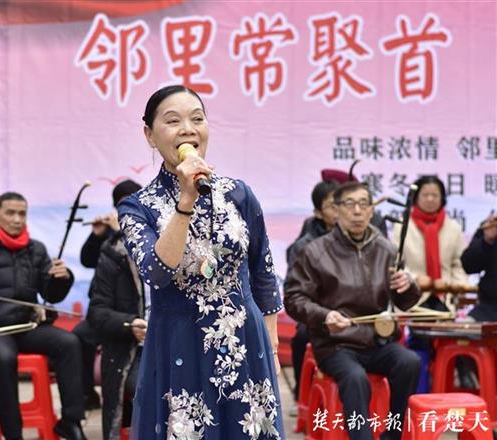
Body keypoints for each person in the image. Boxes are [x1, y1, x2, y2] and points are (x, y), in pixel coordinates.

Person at [118, 85, 284, 438]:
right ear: (149, 135)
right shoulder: (137, 207)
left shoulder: (239, 194)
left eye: (197, 119)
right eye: (173, 121)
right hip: (180, 343)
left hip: (245, 339)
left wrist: (270, 341)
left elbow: (263, 270)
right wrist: (186, 201)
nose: (188, 130)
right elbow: (156, 272)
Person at [285, 181, 422, 440]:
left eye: (363, 204)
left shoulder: (387, 250)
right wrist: (324, 315)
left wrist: (409, 285)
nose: (357, 211)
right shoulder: (315, 252)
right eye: (349, 204)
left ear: (372, 211)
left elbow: (404, 302)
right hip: (336, 344)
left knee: (409, 362)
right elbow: (294, 298)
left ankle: (393, 435)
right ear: (336, 211)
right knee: (355, 378)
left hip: (377, 341)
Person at [0, 191, 86, 440]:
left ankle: (71, 420)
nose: (17, 219)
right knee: (4, 358)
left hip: (27, 325)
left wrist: (61, 278)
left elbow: (50, 294)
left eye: (22, 213)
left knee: (69, 342)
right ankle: (13, 433)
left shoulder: (36, 249)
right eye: (10, 213)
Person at [392, 175, 469, 391]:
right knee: (419, 340)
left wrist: (455, 284)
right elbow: (396, 263)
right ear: (416, 198)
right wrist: (415, 280)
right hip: (414, 298)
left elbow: (459, 264)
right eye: (425, 194)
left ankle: (449, 389)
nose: (430, 199)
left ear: (442, 198)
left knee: (454, 339)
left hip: (444, 297)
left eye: (435, 195)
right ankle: (420, 391)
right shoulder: (403, 226)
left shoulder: (453, 227)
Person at [74, 179, 143, 412]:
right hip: (110, 313)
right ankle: (87, 394)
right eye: (121, 204)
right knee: (79, 336)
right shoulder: (109, 235)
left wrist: (119, 232)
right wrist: (97, 235)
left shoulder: (147, 231)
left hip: (138, 317)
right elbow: (87, 260)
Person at [284, 179, 339, 411]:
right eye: (332, 206)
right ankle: (302, 395)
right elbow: (296, 293)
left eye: (344, 203)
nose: (340, 210)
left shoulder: (360, 239)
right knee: (302, 336)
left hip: (352, 312)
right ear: (318, 212)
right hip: (318, 314)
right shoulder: (305, 246)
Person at [461, 212, 497, 321]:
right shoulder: (492, 224)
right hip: (489, 309)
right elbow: (469, 266)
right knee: (464, 327)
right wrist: (487, 241)